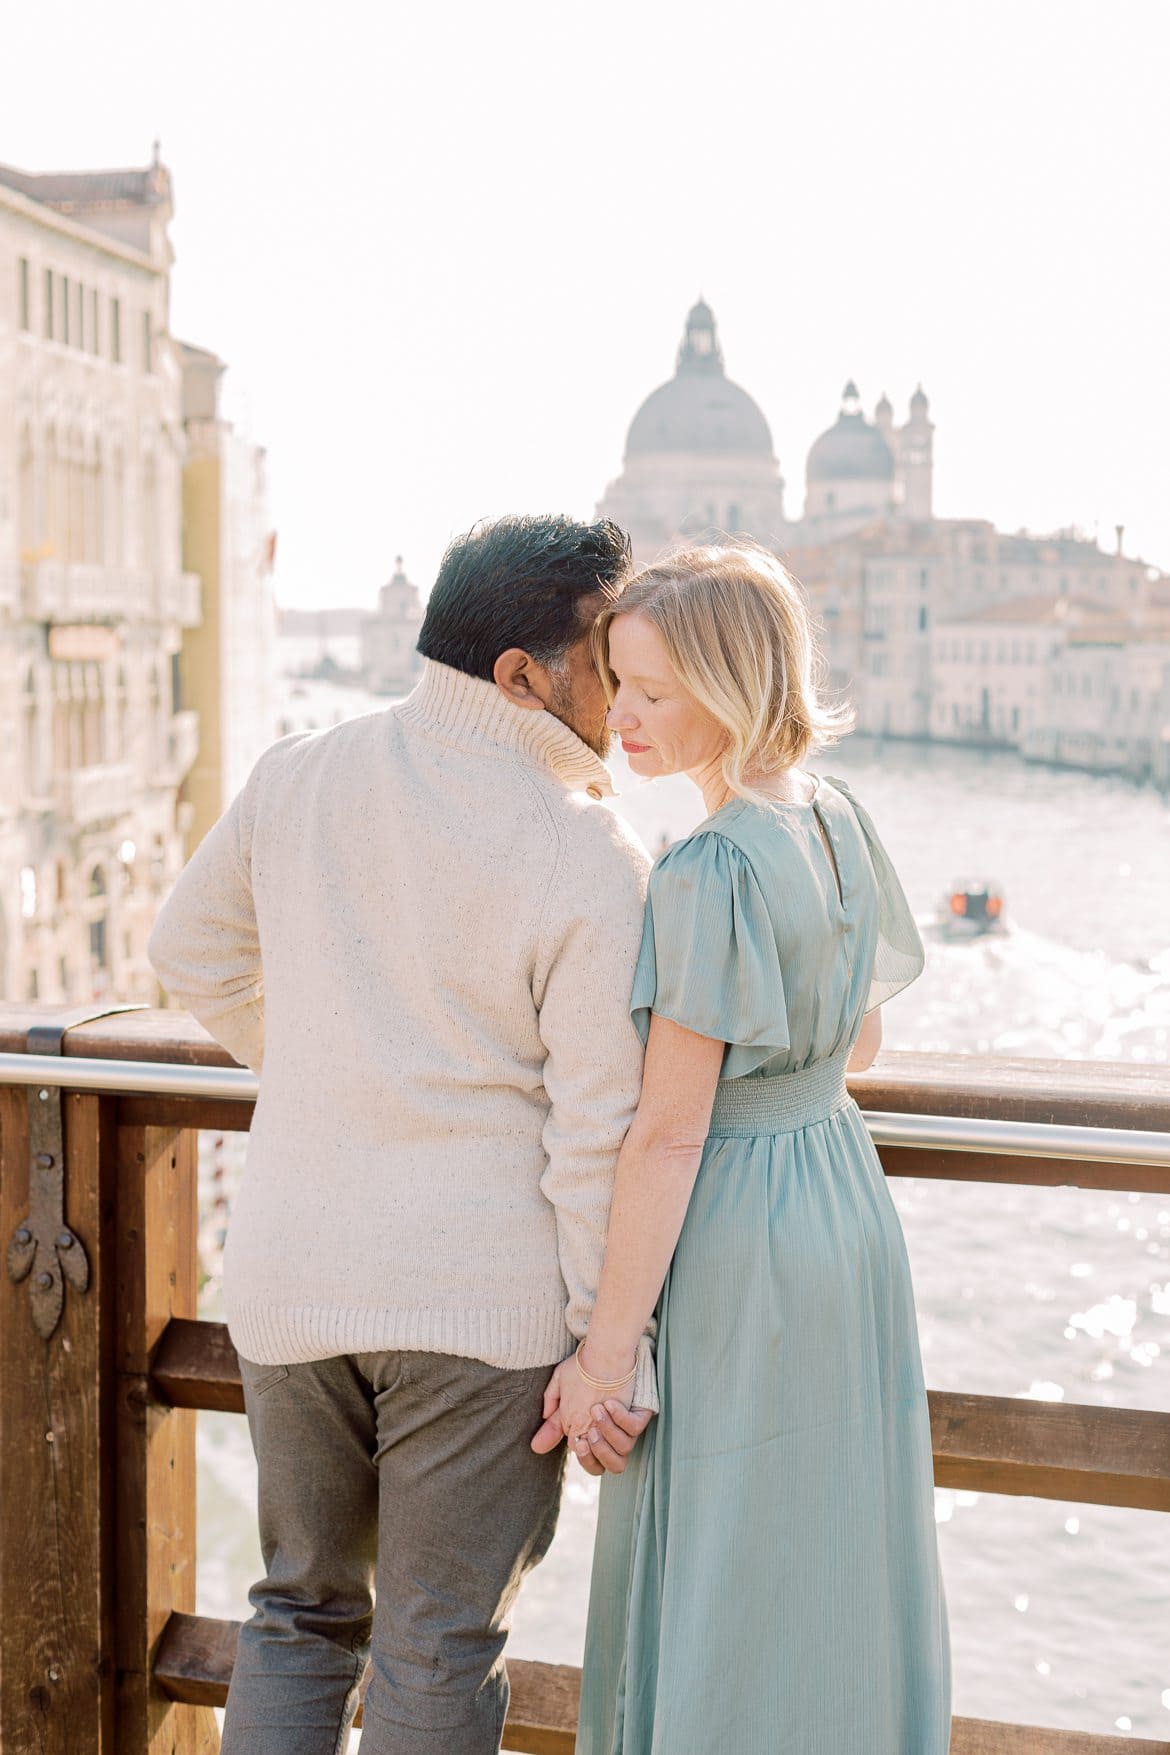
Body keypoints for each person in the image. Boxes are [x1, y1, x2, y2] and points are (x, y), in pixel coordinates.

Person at [148, 513, 656, 1755]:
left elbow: (186, 954)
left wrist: (321, 1061)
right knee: (436, 1640)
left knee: (295, 1616)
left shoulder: (298, 771)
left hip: (291, 1281)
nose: (636, 681)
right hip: (476, 1310)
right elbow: (600, 1130)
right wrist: (609, 1346)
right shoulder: (586, 848)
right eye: (611, 655)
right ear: (523, 677)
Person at [534, 543, 951, 1754]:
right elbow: (859, 1043)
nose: (624, 718)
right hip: (841, 1202)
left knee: (720, 1547)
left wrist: (604, 1360)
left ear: (733, 683)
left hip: (742, 1228)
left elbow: (667, 1134)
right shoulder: (835, 819)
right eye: (618, 683)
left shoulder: (705, 869)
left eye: (655, 691)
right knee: (828, 1543)